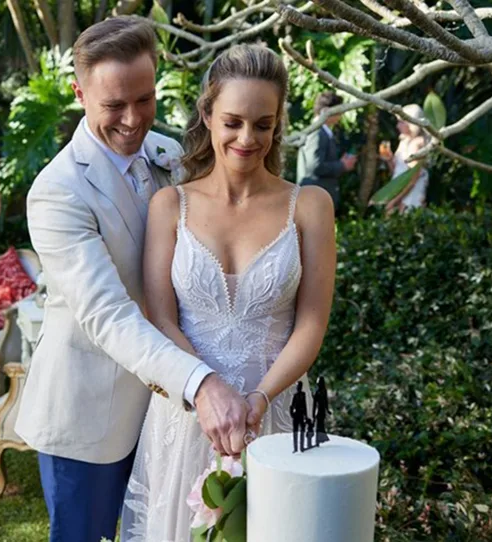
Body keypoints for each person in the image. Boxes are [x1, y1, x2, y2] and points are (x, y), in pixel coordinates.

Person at [14, 17, 249, 542]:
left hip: (167, 420)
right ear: (79, 93)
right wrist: (200, 382)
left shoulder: (167, 154)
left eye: (144, 99)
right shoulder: (57, 192)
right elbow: (110, 315)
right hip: (88, 419)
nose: (132, 119)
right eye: (113, 105)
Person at [121, 44, 337, 542]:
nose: (247, 138)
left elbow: (311, 324)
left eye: (263, 124)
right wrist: (205, 392)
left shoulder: (310, 206)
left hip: (275, 411)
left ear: (279, 123)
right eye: (233, 121)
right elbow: (161, 318)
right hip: (186, 414)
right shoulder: (167, 206)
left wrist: (260, 398)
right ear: (207, 114)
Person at [297, 91, 357, 211]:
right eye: (339, 111)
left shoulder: (322, 132)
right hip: (315, 199)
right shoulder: (317, 133)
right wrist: (342, 165)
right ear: (326, 111)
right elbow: (314, 166)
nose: (341, 115)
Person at [379, 103, 430, 214]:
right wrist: (389, 159)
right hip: (400, 192)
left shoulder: (418, 144)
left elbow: (412, 179)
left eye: (401, 122)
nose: (397, 126)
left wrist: (394, 201)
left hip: (411, 197)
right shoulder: (404, 141)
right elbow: (397, 173)